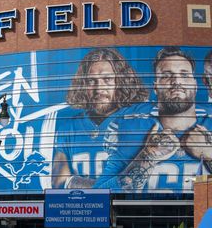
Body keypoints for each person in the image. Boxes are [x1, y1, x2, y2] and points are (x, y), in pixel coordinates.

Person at [95, 47, 212, 192]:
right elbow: (100, 194)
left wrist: (209, 154)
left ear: (195, 85)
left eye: (184, 75)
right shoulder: (127, 127)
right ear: (155, 86)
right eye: (166, 75)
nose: (176, 81)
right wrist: (148, 155)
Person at [52, 48, 149, 188]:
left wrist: (75, 183)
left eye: (107, 79)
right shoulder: (68, 128)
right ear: (83, 85)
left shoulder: (138, 121)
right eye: (92, 81)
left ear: (120, 82)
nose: (99, 88)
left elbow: (134, 183)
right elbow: (58, 183)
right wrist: (109, 188)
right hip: (84, 208)